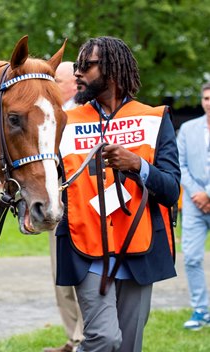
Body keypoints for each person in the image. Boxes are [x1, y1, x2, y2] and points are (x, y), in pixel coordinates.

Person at [56, 36, 180, 352]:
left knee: (128, 346)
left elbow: (170, 190)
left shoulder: (153, 118)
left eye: (86, 66)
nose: (77, 74)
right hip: (86, 247)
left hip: (140, 246)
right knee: (103, 339)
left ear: (110, 70)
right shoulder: (66, 122)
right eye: (76, 66)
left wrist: (137, 164)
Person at [44, 61, 84, 352]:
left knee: (85, 275)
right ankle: (74, 338)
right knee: (60, 277)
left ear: (75, 84)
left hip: (83, 205)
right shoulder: (47, 113)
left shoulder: (83, 115)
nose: (52, 85)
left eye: (57, 80)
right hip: (55, 203)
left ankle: (87, 337)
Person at [177, 82, 210, 330]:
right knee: (191, 257)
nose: (209, 102)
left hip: (203, 197)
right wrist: (198, 193)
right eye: (206, 98)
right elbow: (179, 164)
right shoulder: (188, 129)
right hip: (193, 204)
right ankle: (200, 310)